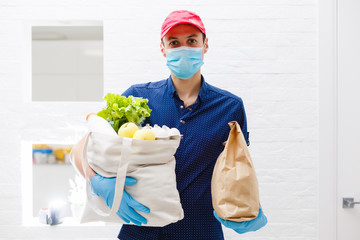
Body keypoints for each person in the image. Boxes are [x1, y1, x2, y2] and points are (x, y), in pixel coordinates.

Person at [71, 10, 267, 239]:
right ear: (163, 49)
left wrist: (250, 208)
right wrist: (97, 180)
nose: (183, 48)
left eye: (192, 40)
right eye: (174, 42)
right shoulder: (137, 100)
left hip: (202, 232)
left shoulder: (229, 107)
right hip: (141, 228)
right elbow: (81, 149)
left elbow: (238, 168)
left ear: (205, 45)